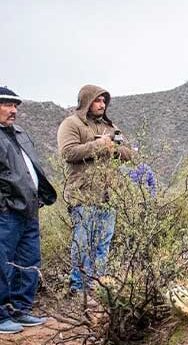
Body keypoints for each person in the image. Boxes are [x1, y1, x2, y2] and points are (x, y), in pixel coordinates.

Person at [57, 85, 135, 296]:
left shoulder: (110, 126)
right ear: (86, 101)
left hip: (108, 196)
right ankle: (78, 289)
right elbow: (68, 152)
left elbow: (129, 153)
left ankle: (97, 287)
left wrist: (113, 147)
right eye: (97, 101)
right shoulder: (71, 124)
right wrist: (99, 145)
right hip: (83, 195)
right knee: (83, 244)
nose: (102, 105)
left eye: (104, 101)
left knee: (103, 244)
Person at [0, 87, 57, 333]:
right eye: (7, 105)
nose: (13, 110)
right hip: (7, 211)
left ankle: (20, 310)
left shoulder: (19, 133)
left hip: (29, 209)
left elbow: (30, 168)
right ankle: (1, 316)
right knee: (2, 263)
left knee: (29, 261)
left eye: (15, 106)